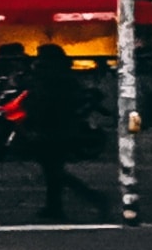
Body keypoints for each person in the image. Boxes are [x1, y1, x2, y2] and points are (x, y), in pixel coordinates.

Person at [16, 40, 98, 222]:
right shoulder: (63, 76)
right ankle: (56, 205)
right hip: (59, 125)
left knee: (53, 169)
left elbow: (42, 100)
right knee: (53, 169)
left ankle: (86, 198)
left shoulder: (51, 78)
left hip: (53, 126)